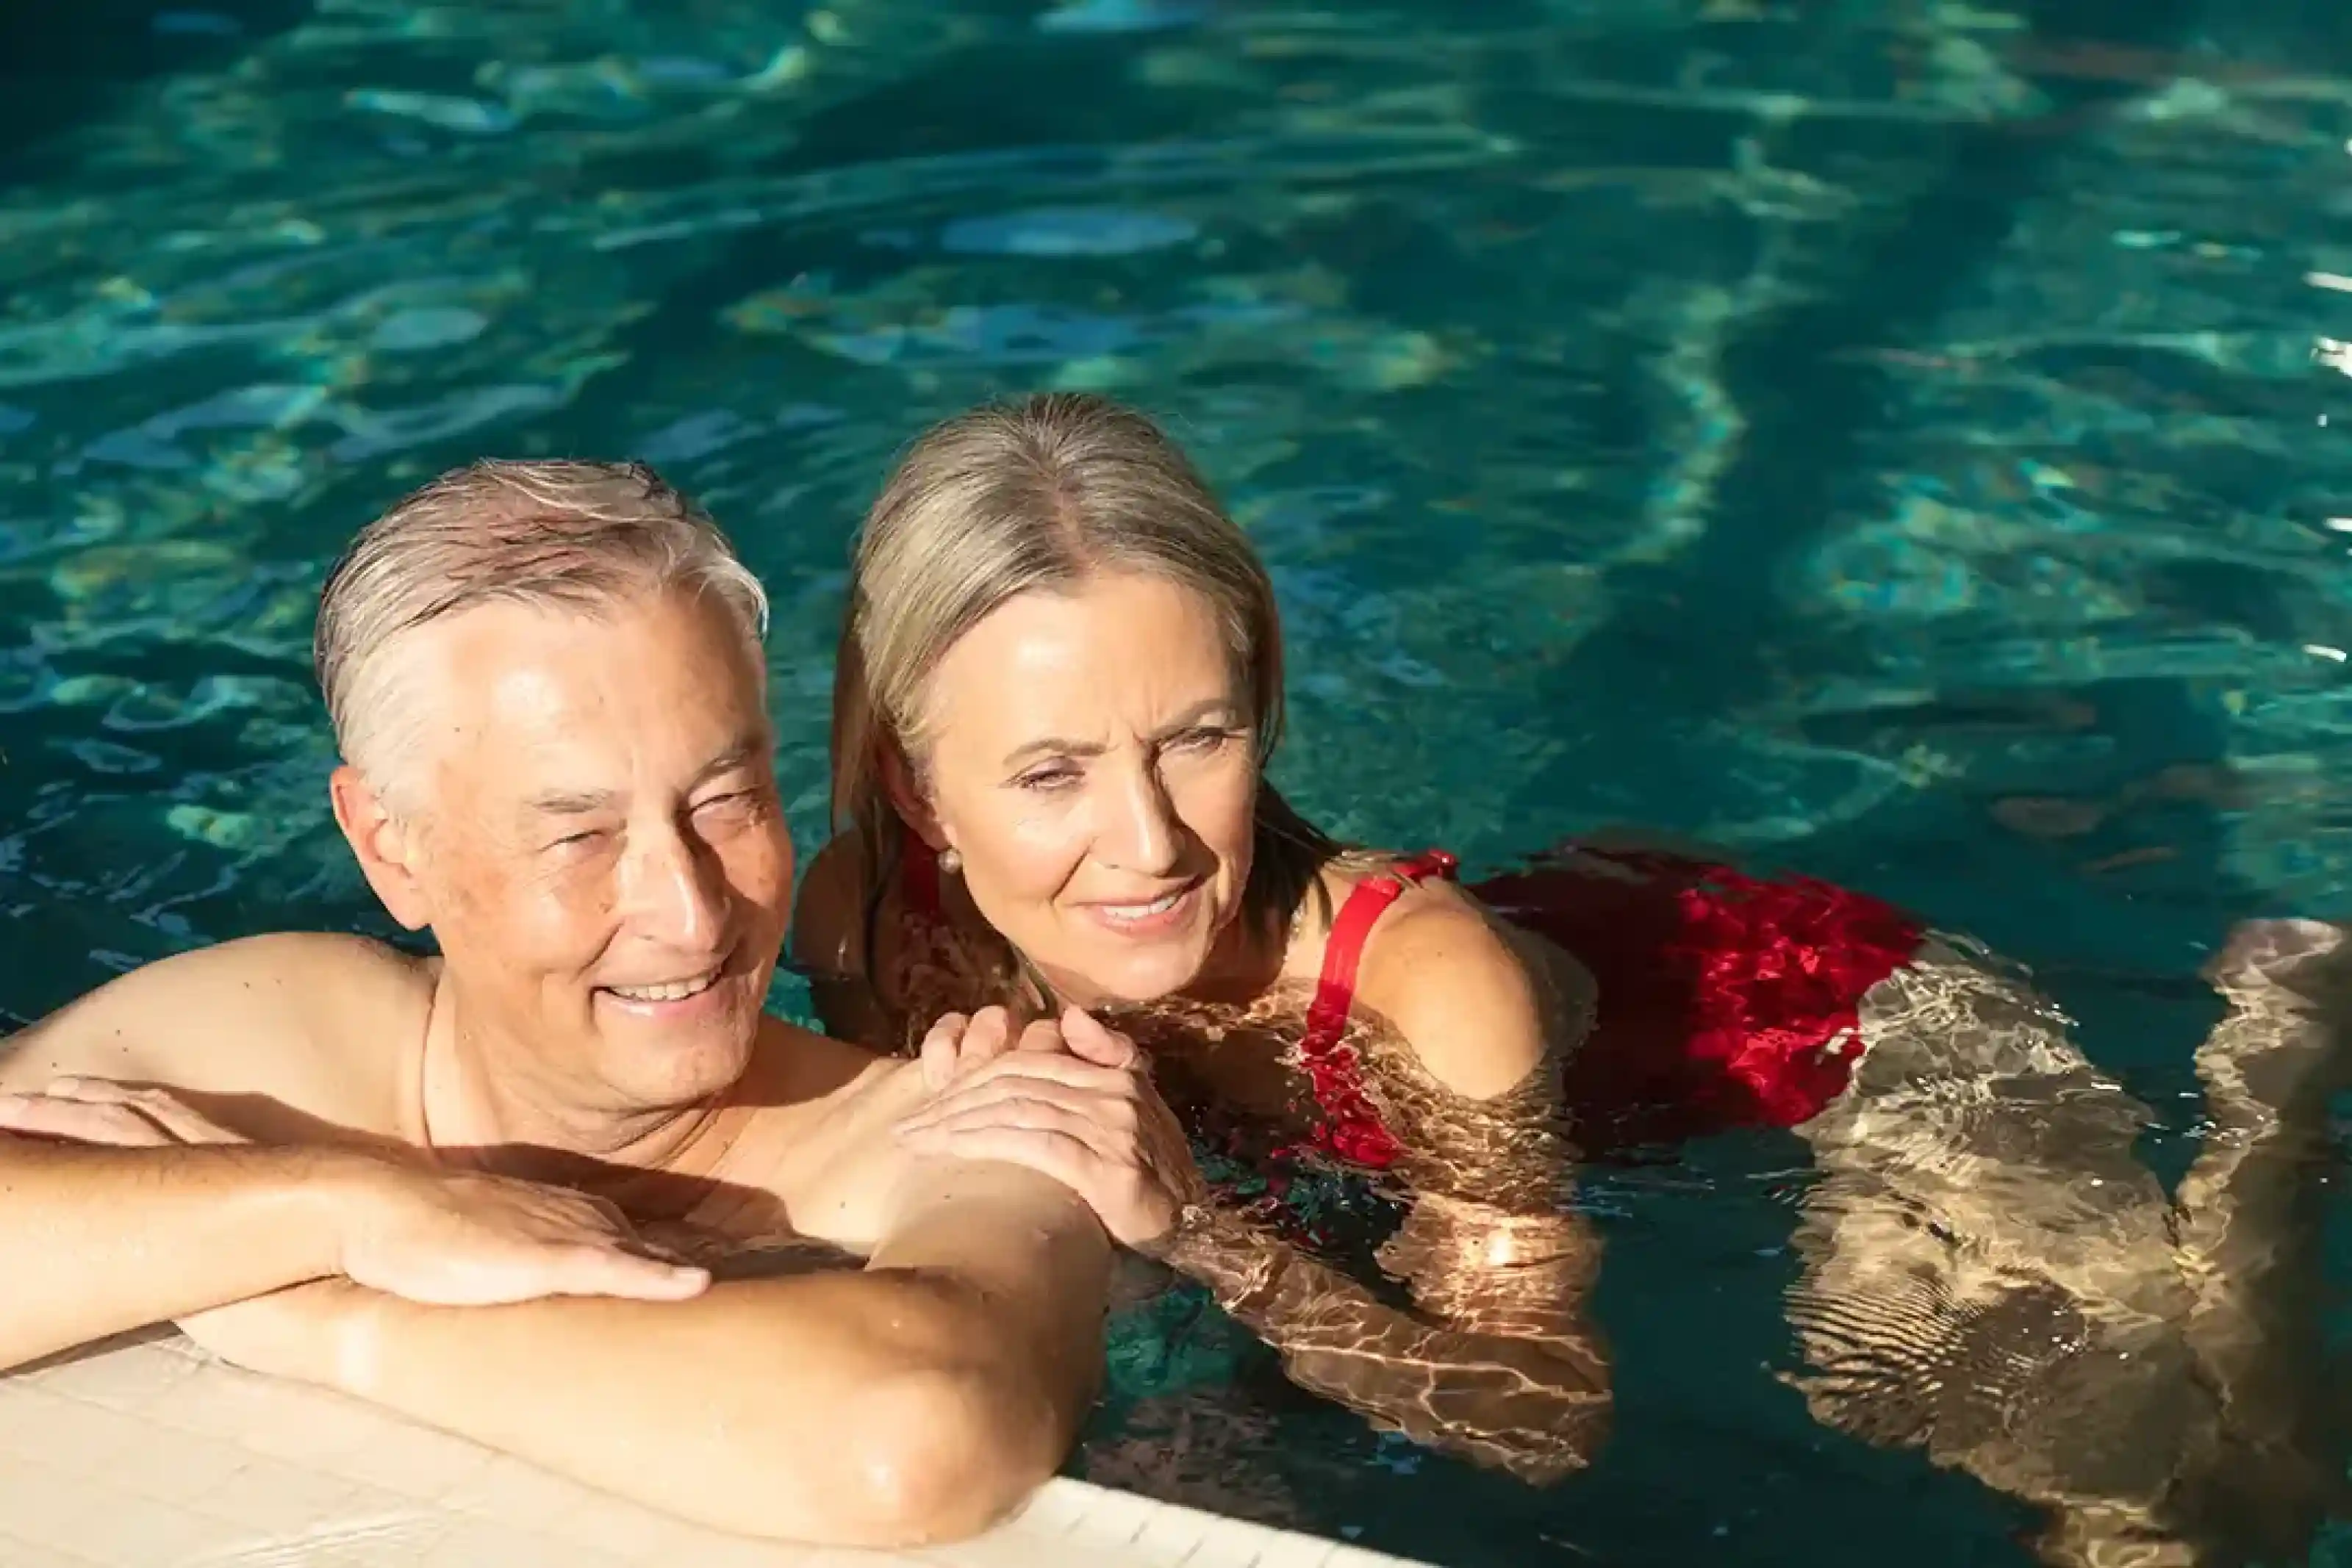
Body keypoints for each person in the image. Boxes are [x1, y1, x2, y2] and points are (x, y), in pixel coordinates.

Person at [792, 392, 2350, 1564]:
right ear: (920, 789)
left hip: (1848, 1031)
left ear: (1262, 697)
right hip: (1593, 942)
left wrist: (1205, 1231)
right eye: (1050, 771)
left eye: (1197, 737)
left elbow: (1545, 1416)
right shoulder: (871, 916)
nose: (1148, 845)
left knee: (2165, 1508)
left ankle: (2272, 1099)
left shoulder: (1421, 995)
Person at [0, 458, 1134, 1551]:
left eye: (727, 802)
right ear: (391, 849)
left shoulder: (959, 1132)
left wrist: (321, 1313)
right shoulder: (280, 1045)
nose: (691, 915)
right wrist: (346, 1207)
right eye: (579, 833)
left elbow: (915, 1436)